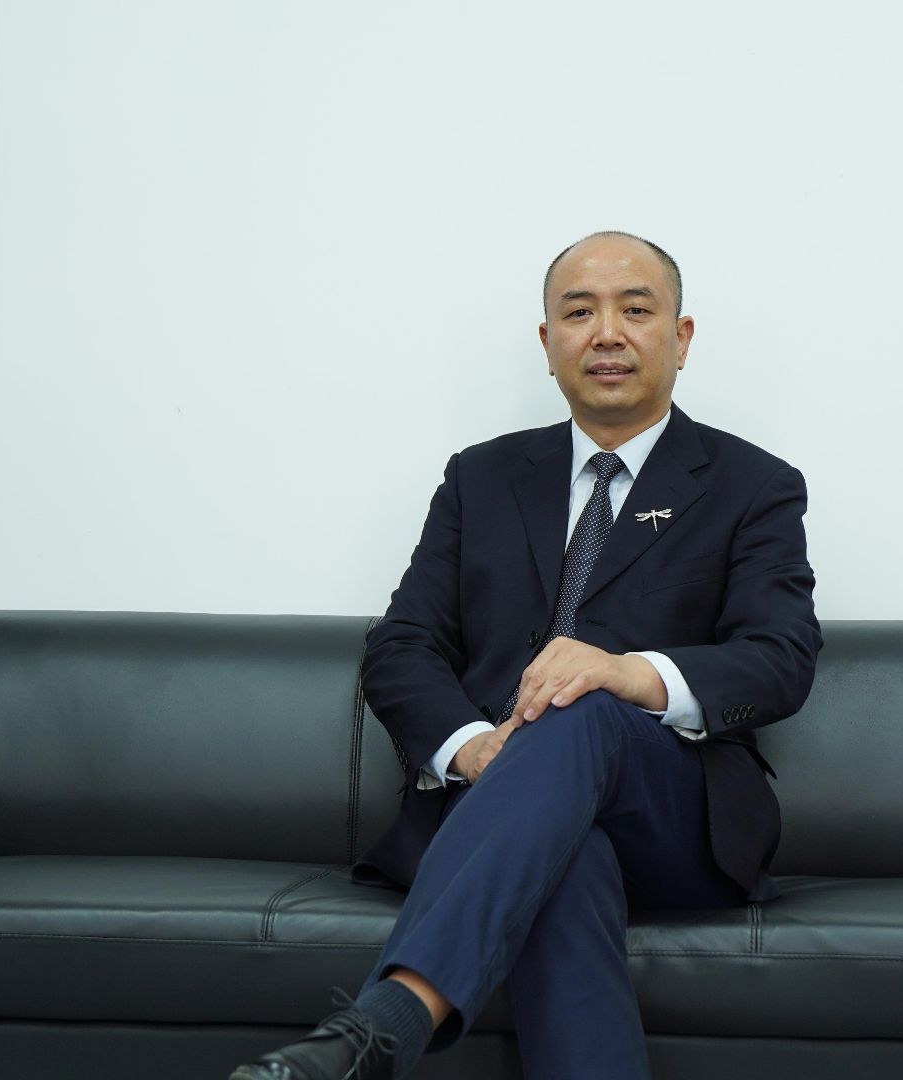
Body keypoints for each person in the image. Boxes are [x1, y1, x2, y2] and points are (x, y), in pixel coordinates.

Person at [231, 231, 821, 1080]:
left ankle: (389, 1019)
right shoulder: (481, 478)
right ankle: (371, 1041)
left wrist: (623, 672)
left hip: (675, 813)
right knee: (565, 856)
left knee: (581, 708)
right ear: (548, 345)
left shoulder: (752, 484)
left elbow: (779, 656)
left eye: (635, 309)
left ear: (681, 338)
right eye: (579, 313)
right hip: (503, 804)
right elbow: (401, 646)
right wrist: (478, 749)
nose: (607, 333)